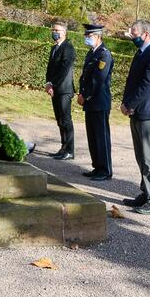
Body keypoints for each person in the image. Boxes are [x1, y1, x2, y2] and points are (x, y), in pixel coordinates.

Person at [121, 19, 150, 214]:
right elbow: (133, 82)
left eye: (134, 33)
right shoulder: (141, 53)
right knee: (141, 157)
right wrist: (125, 103)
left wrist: (130, 104)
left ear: (146, 34)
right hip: (137, 112)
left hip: (147, 112)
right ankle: (146, 194)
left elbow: (148, 86)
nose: (132, 36)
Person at [77, 23, 114, 181]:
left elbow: (98, 80)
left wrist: (85, 95)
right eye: (86, 36)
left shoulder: (104, 55)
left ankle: (105, 170)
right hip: (90, 101)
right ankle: (97, 166)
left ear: (98, 36)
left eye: (89, 36)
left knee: (101, 136)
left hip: (99, 101)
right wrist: (81, 93)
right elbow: (84, 76)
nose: (87, 38)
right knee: (92, 136)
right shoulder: (91, 53)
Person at [45, 21, 76, 160]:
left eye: (57, 30)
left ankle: (69, 150)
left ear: (64, 32)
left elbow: (64, 69)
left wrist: (54, 84)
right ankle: (63, 148)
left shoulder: (68, 48)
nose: (54, 32)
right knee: (59, 120)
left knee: (65, 120)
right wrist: (48, 83)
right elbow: (50, 68)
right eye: (53, 29)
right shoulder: (54, 48)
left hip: (64, 89)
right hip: (55, 89)